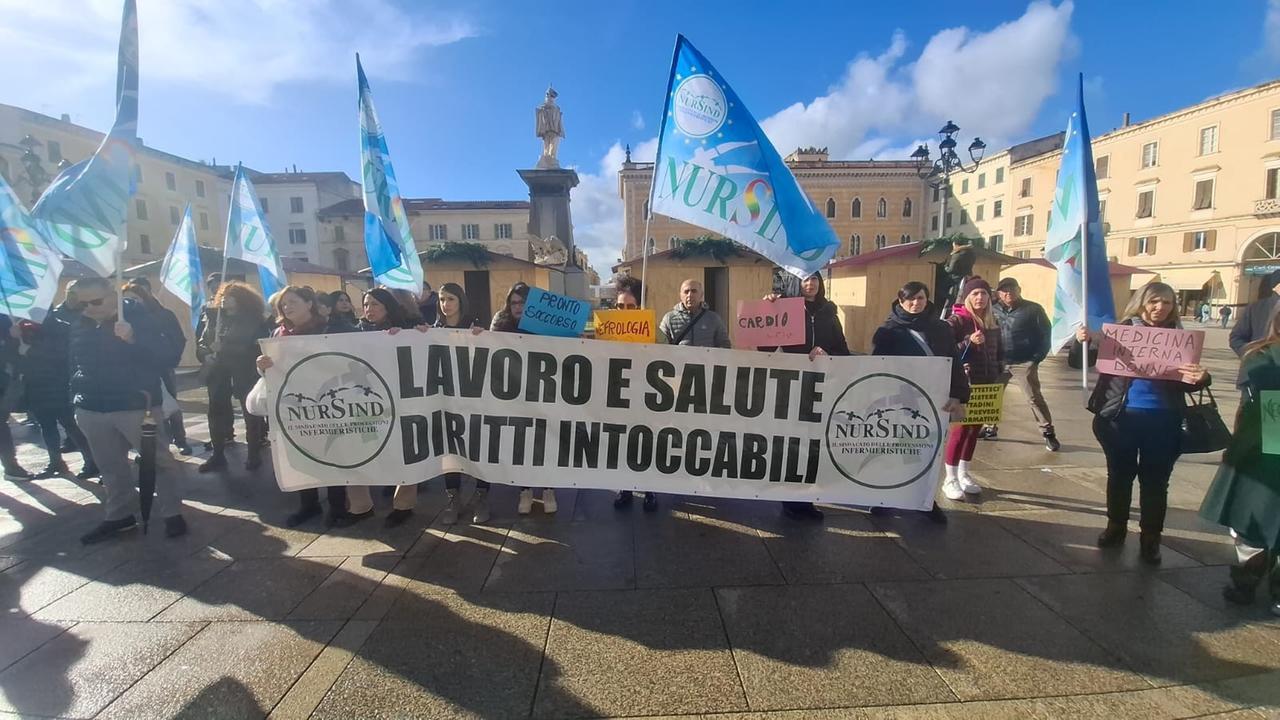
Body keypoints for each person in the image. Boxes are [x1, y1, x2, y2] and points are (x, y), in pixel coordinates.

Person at [1074, 282, 1210, 564]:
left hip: (1165, 420)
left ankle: (1151, 537)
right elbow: (1080, 362)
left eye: (1168, 303)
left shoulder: (1180, 338)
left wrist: (1202, 378)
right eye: (1155, 302)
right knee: (1120, 475)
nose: (1161, 308)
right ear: (1142, 302)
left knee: (1156, 482)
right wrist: (1082, 341)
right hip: (1120, 417)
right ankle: (1116, 527)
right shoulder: (1120, 331)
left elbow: (1189, 383)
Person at [69, 277, 187, 543]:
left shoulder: (141, 316)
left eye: (95, 301)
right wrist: (74, 397)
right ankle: (119, 515)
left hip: (135, 405)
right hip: (91, 406)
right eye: (82, 303)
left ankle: (172, 513)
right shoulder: (80, 322)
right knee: (109, 466)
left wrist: (134, 338)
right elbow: (72, 361)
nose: (89, 307)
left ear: (113, 296)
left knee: (157, 461)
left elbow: (168, 356)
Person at [255, 286, 360, 527]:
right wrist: (261, 365)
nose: (287, 307)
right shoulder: (277, 334)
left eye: (292, 301)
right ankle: (308, 504)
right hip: (294, 404)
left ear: (309, 304)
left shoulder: (331, 328)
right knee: (301, 454)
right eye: (283, 304)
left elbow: (360, 348)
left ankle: (337, 506)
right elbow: (268, 372)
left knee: (332, 453)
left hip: (329, 403)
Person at [1201, 309, 1280, 616]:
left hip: (1260, 447)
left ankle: (1251, 584)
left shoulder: (1259, 355)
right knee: (1254, 522)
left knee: (1253, 523)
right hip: (1263, 448)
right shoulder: (1262, 355)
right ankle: (1252, 584)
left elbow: (1249, 406)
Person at [871, 281, 971, 523]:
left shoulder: (940, 329)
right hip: (900, 401)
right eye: (911, 299)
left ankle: (924, 499)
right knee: (895, 450)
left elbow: (954, 362)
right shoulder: (888, 331)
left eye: (921, 298)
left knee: (928, 452)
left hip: (934, 401)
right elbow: (876, 367)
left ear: (928, 300)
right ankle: (883, 497)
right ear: (901, 300)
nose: (916, 303)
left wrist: (958, 395)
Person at [391, 282, 489, 525]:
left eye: (451, 299)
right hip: (444, 402)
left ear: (461, 302)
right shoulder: (430, 331)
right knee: (450, 451)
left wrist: (483, 337)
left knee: (478, 449)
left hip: (473, 402)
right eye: (442, 299)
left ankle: (481, 497)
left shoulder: (475, 329)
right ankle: (453, 498)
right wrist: (404, 335)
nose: (446, 304)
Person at [763, 272, 850, 521]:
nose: (811, 284)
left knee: (813, 444)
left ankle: (806, 498)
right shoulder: (785, 309)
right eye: (805, 280)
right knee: (793, 443)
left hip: (822, 386)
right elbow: (765, 347)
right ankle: (791, 498)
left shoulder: (829, 313)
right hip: (792, 385)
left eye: (815, 279)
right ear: (796, 283)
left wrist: (827, 352)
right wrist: (768, 310)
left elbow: (843, 350)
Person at [345, 288, 417, 527]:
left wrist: (414, 336)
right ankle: (360, 506)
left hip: (398, 402)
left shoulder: (405, 331)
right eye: (366, 304)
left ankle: (403, 505)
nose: (369, 309)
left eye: (375, 304)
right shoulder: (352, 333)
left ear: (388, 307)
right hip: (363, 403)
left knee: (402, 453)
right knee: (358, 453)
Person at [489, 282, 556, 517]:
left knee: (545, 441)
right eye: (514, 302)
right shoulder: (501, 322)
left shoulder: (547, 324)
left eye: (523, 302)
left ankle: (548, 489)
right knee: (520, 442)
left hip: (543, 392)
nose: (518, 307)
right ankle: (525, 489)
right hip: (514, 393)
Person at [942, 277, 1006, 501]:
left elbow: (999, 352)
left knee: (973, 431)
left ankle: (964, 472)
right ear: (967, 297)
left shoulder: (993, 322)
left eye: (984, 294)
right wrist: (968, 341)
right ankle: (949, 478)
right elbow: (945, 349)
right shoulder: (957, 321)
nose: (980, 298)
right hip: (964, 384)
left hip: (987, 384)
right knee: (959, 431)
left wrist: (1000, 370)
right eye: (975, 294)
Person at [197, 281, 270, 473]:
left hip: (243, 372)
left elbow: (256, 347)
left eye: (230, 296)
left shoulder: (254, 320)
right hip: (218, 372)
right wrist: (206, 352)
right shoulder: (214, 318)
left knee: (250, 412)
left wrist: (226, 349)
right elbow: (202, 343)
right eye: (223, 295)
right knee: (216, 412)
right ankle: (218, 454)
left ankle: (253, 453)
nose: (224, 299)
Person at [14, 315, 98, 480]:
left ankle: (91, 461)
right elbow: (16, 356)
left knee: (70, 424)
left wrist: (30, 350)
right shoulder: (21, 328)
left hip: (58, 384)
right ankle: (55, 462)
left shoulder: (60, 326)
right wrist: (15, 338)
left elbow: (60, 354)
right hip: (35, 385)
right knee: (47, 426)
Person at [122, 280, 192, 455]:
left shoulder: (163, 315)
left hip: (161, 367)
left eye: (134, 298)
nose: (131, 302)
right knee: (147, 411)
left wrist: (170, 360)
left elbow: (177, 339)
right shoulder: (121, 320)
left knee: (170, 406)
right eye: (126, 299)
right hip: (135, 372)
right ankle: (160, 444)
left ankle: (180, 439)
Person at [991, 278, 1060, 450]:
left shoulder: (1032, 309)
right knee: (992, 395)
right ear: (998, 293)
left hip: (1024, 362)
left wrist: (1036, 358)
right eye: (1004, 290)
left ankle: (1048, 432)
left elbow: (1046, 334)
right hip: (999, 361)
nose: (1008, 293)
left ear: (1019, 290)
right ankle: (989, 427)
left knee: (1034, 397)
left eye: (1012, 289)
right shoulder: (992, 310)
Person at [611, 276, 661, 511]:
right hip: (618, 396)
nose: (625, 311)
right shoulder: (606, 328)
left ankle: (650, 489)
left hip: (646, 396)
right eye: (620, 306)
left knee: (646, 442)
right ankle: (625, 487)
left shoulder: (653, 330)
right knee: (622, 442)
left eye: (631, 306)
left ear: (640, 307)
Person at [1229, 269, 1280, 413]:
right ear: (1275, 286)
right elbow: (1236, 337)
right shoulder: (1256, 308)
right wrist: (1253, 355)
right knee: (1251, 424)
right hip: (1255, 378)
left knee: (1273, 433)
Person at [659, 279, 731, 348]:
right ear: (680, 295)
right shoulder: (669, 318)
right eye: (686, 292)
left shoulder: (713, 318)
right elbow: (660, 344)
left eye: (694, 291)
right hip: (678, 360)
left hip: (706, 360)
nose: (690, 295)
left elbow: (724, 344)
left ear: (701, 295)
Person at [940, 238, 977, 316]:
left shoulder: (957, 254)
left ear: (956, 245)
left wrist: (945, 267)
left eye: (953, 245)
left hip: (955, 279)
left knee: (940, 289)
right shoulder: (971, 253)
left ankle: (950, 304)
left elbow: (951, 269)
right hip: (967, 278)